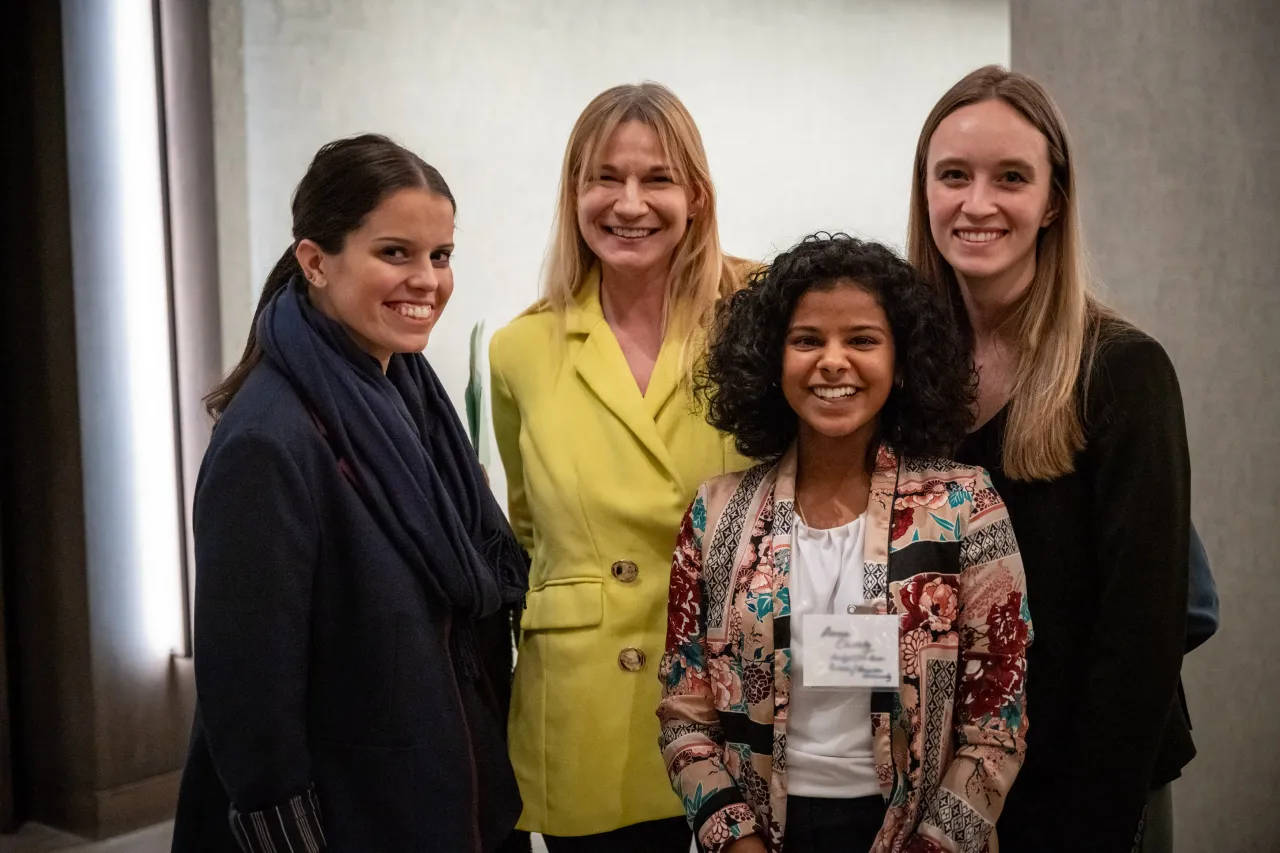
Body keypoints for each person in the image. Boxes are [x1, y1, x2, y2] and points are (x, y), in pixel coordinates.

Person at [172, 134, 528, 852]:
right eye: (395, 253)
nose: (426, 279)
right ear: (315, 261)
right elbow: (251, 704)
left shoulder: (409, 394)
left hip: (448, 797)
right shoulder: (268, 441)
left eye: (441, 255)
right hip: (352, 819)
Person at [659, 233, 1032, 853]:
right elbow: (683, 712)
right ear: (771, 361)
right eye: (807, 340)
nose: (833, 361)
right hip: (763, 834)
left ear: (903, 360)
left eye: (862, 339)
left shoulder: (964, 505)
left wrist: (934, 844)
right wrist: (737, 842)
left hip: (917, 832)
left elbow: (998, 720)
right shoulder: (716, 513)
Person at [907, 65, 1195, 852]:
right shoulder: (902, 377)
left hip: (1088, 786)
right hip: (945, 795)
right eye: (954, 176)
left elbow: (1140, 639)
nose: (977, 203)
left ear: (1053, 200)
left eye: (1011, 177)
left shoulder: (1125, 372)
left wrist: (1090, 823)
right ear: (924, 190)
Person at [490, 83, 751, 850]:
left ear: (697, 195)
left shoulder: (760, 313)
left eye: (657, 178)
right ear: (574, 191)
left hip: (734, 697)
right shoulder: (521, 350)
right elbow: (530, 526)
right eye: (605, 177)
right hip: (586, 706)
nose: (628, 202)